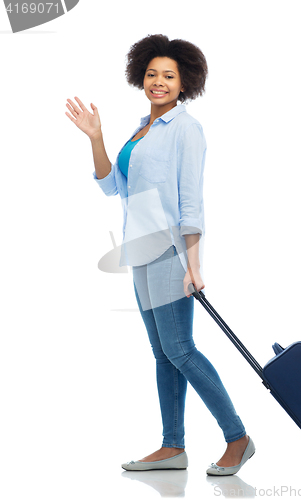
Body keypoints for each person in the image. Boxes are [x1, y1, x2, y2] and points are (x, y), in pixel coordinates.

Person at [65, 34, 254, 476]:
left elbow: (192, 201)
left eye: (169, 76)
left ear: (184, 82)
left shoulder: (186, 129)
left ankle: (237, 437)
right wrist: (97, 137)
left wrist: (195, 265)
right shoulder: (142, 128)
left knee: (181, 350)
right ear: (140, 77)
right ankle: (173, 447)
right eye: (152, 74)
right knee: (163, 353)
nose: (158, 82)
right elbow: (114, 187)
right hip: (140, 250)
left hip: (170, 251)